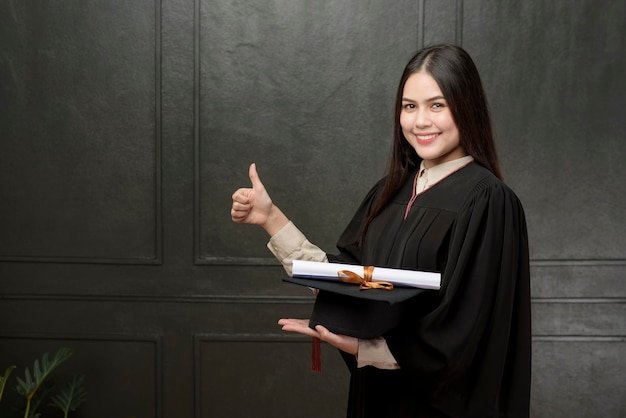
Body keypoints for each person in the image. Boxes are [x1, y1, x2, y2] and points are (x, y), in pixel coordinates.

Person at [230, 44, 531, 418]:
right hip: (375, 399)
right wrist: (270, 218)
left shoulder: (487, 201)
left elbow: (468, 328)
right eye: (410, 106)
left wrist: (366, 349)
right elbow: (349, 281)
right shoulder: (389, 192)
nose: (420, 121)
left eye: (437, 105)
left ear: (466, 106)